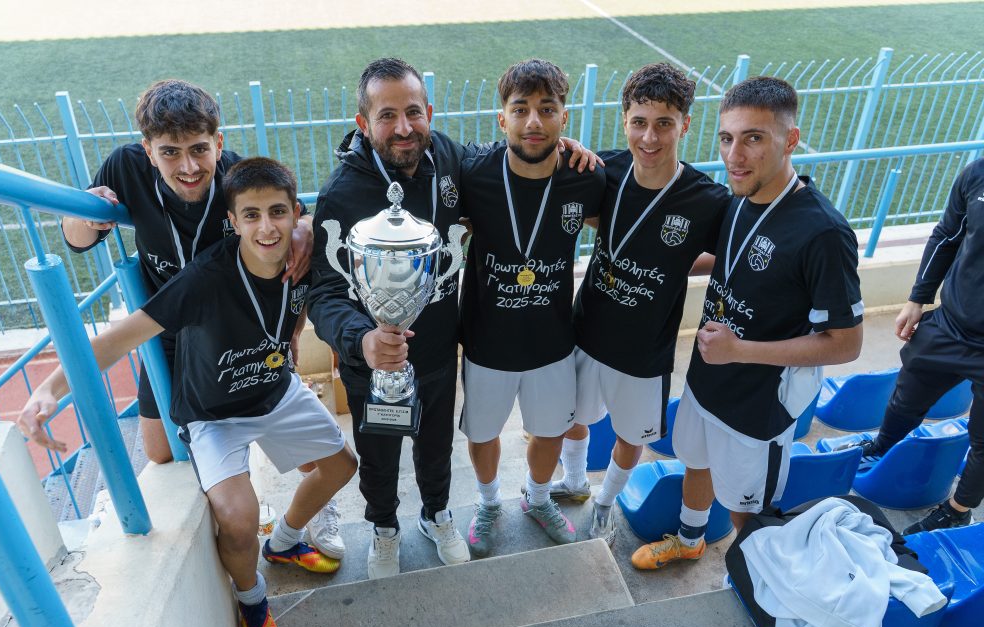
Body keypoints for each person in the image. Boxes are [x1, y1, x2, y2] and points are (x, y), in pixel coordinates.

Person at [20, 157, 357, 627]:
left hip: (275, 388)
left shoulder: (305, 259)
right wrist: (50, 387)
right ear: (232, 221)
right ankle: (252, 601)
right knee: (238, 519)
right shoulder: (204, 278)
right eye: (251, 215)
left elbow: (301, 304)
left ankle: (285, 542)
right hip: (214, 414)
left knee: (342, 465)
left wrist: (290, 335)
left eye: (278, 212)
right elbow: (119, 339)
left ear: (296, 214)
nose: (267, 228)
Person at [310, 58, 598, 578]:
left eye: (413, 112)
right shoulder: (341, 193)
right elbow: (325, 291)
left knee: (436, 448)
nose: (403, 128)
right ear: (363, 123)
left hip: (439, 352)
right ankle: (384, 527)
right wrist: (361, 339)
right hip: (371, 364)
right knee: (379, 457)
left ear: (430, 112)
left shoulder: (447, 156)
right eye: (387, 116)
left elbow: (512, 155)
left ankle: (436, 515)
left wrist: (560, 145)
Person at [57, 80, 343, 561]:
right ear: (148, 150)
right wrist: (88, 215)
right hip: (168, 328)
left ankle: (315, 505)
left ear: (218, 143)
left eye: (198, 150)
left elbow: (297, 221)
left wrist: (304, 229)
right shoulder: (124, 167)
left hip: (238, 328)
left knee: (293, 427)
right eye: (171, 152)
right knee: (160, 451)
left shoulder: (237, 178)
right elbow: (76, 239)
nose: (188, 167)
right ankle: (232, 477)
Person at [632, 76, 864, 570]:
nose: (734, 156)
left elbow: (845, 343)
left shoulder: (823, 233)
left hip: (758, 407)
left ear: (790, 139)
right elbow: (734, 260)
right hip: (707, 379)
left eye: (753, 138)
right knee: (695, 461)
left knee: (747, 508)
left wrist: (741, 350)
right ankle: (690, 539)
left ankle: (756, 578)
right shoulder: (738, 196)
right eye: (727, 138)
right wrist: (668, 264)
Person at [548, 62, 730, 546]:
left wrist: (678, 260)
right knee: (571, 417)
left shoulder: (707, 199)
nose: (649, 137)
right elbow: (570, 197)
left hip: (645, 348)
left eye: (664, 123)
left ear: (685, 125)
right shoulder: (603, 170)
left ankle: (605, 505)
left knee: (632, 436)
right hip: (586, 328)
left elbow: (731, 253)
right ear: (624, 120)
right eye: (639, 122)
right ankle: (574, 480)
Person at [458, 58, 605, 557]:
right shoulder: (473, 174)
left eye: (547, 109)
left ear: (565, 117)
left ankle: (538, 498)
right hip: (487, 341)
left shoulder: (586, 178)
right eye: (521, 110)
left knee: (549, 431)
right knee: (483, 433)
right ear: (503, 119)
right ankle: (487, 503)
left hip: (552, 340)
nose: (534, 122)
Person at [847, 159, 983, 535]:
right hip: (951, 325)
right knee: (905, 398)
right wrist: (917, 298)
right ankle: (884, 447)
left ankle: (957, 510)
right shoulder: (977, 174)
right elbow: (947, 235)